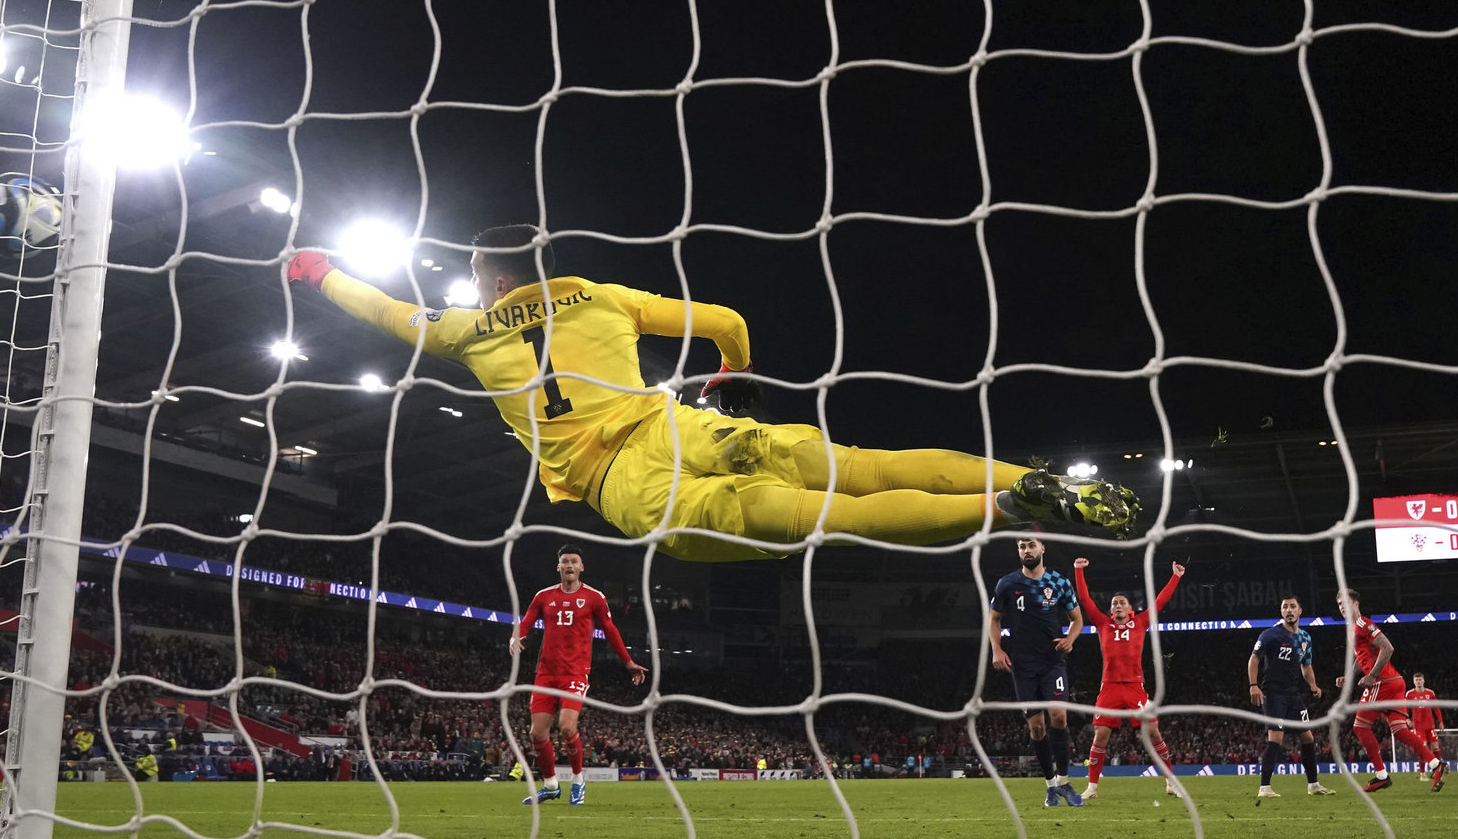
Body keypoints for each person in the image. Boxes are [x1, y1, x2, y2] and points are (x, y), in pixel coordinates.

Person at [287, 228, 1138, 561]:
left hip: (633, 488)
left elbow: (380, 308)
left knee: (826, 519)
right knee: (860, 465)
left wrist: (318, 269)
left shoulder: (465, 328)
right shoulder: (599, 292)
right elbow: (726, 320)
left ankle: (1011, 513)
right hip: (680, 423)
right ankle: (1022, 479)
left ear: (486, 274)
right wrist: (730, 371)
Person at [509, 545, 648, 805]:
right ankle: (550, 785)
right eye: (565, 561)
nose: (569, 565)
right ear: (558, 566)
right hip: (546, 674)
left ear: (581, 567)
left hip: (575, 673)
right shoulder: (543, 596)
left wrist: (627, 662)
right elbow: (527, 619)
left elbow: (610, 629)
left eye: (574, 561)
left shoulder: (594, 597)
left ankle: (577, 780)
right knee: (537, 733)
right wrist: (517, 635)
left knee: (566, 726)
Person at [1071, 558, 1186, 802]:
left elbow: (1160, 602)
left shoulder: (1140, 622)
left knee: (1154, 733)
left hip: (1135, 688)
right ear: (1111, 610)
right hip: (1109, 688)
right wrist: (1078, 571)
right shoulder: (1102, 624)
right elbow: (1085, 600)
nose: (1118, 605)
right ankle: (1092, 787)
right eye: (1114, 603)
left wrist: (1175, 576)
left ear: (1129, 607)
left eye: (1122, 602)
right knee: (1100, 736)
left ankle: (1170, 782)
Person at [989, 536, 1086, 807]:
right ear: (1018, 551)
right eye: (1022, 546)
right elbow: (994, 619)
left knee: (1058, 715)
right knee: (1036, 726)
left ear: (1042, 548)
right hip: (1022, 665)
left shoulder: (1059, 582)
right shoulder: (1007, 583)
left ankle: (1065, 782)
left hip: (1052, 661)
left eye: (1031, 545)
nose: (1027, 550)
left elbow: (1077, 619)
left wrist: (1070, 638)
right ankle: (1051, 786)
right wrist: (997, 650)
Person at [1334, 591, 1446, 794]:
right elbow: (1363, 658)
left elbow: (1388, 648)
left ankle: (1381, 776)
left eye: (1346, 603)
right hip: (1395, 682)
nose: (1342, 607)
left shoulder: (1363, 625)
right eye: (1339, 604)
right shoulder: (1353, 629)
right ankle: (1436, 764)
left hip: (1382, 683)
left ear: (1356, 604)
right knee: (1400, 731)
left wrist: (1372, 676)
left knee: (1360, 727)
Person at [1245, 594, 1330, 800]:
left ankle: (1314, 785)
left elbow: (1306, 665)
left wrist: (1313, 684)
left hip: (1294, 695)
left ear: (1300, 610)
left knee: (1308, 737)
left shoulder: (1305, 638)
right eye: (1285, 607)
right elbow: (1254, 659)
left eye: (1293, 606)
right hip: (1273, 694)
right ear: (1281, 611)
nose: (1289, 610)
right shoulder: (1270, 635)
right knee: (1276, 738)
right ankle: (1264, 787)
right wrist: (1253, 685)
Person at [1407, 673, 1440, 756]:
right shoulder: (1409, 694)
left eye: (1420, 679)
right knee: (1422, 748)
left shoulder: (1430, 693)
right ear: (1413, 682)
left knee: (1435, 748)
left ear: (1423, 681)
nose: (1418, 682)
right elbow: (1404, 709)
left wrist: (1441, 721)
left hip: (1430, 725)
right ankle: (1422, 769)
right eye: (1416, 680)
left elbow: (1436, 708)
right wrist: (1407, 719)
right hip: (1418, 726)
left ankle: (1439, 768)